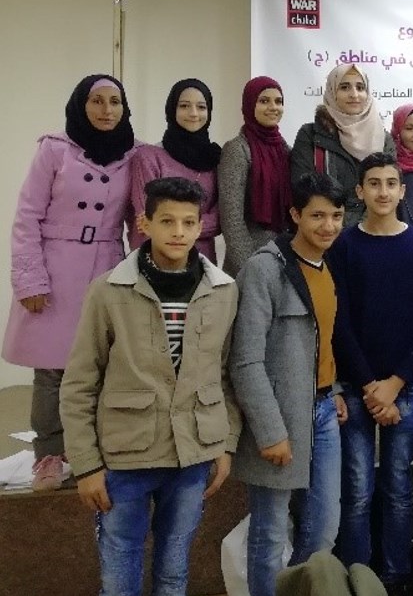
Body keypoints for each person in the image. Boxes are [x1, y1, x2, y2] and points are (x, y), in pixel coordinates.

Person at [59, 176, 239, 595]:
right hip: (126, 456)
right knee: (120, 573)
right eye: (167, 221)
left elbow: (225, 374)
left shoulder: (223, 290)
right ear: (145, 222)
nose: (178, 232)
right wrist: (86, 465)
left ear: (200, 227)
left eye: (188, 222)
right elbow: (80, 383)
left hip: (192, 454)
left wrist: (225, 444)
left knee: (174, 570)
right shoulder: (108, 291)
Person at [4, 73, 141, 491]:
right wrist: (29, 280)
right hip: (55, 267)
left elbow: (137, 218)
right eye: (97, 101)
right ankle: (49, 454)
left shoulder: (133, 155)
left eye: (115, 102)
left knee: (101, 366)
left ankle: (94, 451)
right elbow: (27, 215)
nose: (106, 110)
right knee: (52, 371)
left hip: (106, 265)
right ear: (81, 105)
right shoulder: (54, 150)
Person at [328, 152, 413, 595]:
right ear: (360, 191)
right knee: (356, 489)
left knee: (398, 488)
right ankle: (357, 575)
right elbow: (339, 322)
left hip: (405, 386)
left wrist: (395, 384)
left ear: (401, 189)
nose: (382, 191)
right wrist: (369, 387)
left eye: (390, 183)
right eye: (373, 183)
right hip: (358, 385)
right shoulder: (344, 245)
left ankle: (398, 577)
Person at [231, 173, 350, 596]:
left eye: (336, 216)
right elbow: (245, 360)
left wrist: (332, 390)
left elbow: (320, 340)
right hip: (280, 417)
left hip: (321, 411)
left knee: (323, 531)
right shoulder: (265, 269)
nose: (328, 226)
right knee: (269, 533)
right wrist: (270, 430)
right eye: (317, 215)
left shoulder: (327, 265)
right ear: (295, 215)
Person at [129, 78, 222, 262]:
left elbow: (223, 219)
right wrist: (193, 224)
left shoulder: (216, 159)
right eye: (184, 106)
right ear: (172, 110)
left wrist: (171, 222)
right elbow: (147, 219)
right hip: (153, 260)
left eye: (201, 107)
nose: (194, 113)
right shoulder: (148, 157)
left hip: (202, 261)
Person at [290, 64, 395, 227]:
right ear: (332, 92)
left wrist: (362, 230)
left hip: (372, 232)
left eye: (360, 88)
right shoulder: (310, 135)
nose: (354, 94)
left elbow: (388, 190)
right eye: (345, 87)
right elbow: (303, 190)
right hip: (324, 233)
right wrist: (336, 227)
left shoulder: (383, 138)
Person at [218, 76, 292, 276]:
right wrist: (250, 268)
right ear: (249, 104)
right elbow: (231, 218)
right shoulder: (237, 149)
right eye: (264, 101)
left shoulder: (286, 150)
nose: (273, 107)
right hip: (250, 260)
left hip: (285, 258)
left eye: (278, 101)